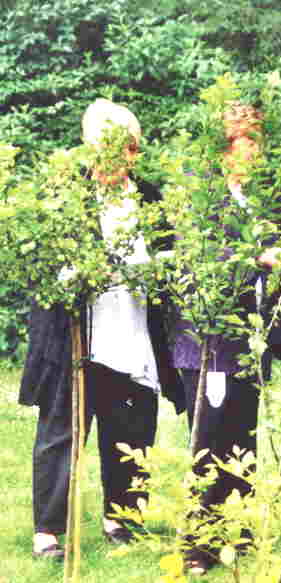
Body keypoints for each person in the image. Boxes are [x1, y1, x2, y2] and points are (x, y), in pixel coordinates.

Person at [19, 98, 184, 560]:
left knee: (131, 430)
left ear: (133, 151)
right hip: (73, 338)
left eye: (120, 150)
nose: (109, 160)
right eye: (100, 150)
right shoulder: (65, 197)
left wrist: (158, 268)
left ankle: (123, 518)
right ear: (88, 150)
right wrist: (73, 275)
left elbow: (172, 257)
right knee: (61, 434)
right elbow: (40, 268)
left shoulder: (150, 199)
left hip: (132, 333)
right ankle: (49, 530)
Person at [171, 102, 277, 575]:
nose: (254, 152)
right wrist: (259, 258)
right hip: (210, 344)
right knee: (208, 444)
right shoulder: (203, 200)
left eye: (257, 142)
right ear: (224, 149)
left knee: (242, 439)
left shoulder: (251, 200)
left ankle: (240, 530)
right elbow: (207, 264)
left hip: (247, 345)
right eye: (246, 142)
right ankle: (198, 545)